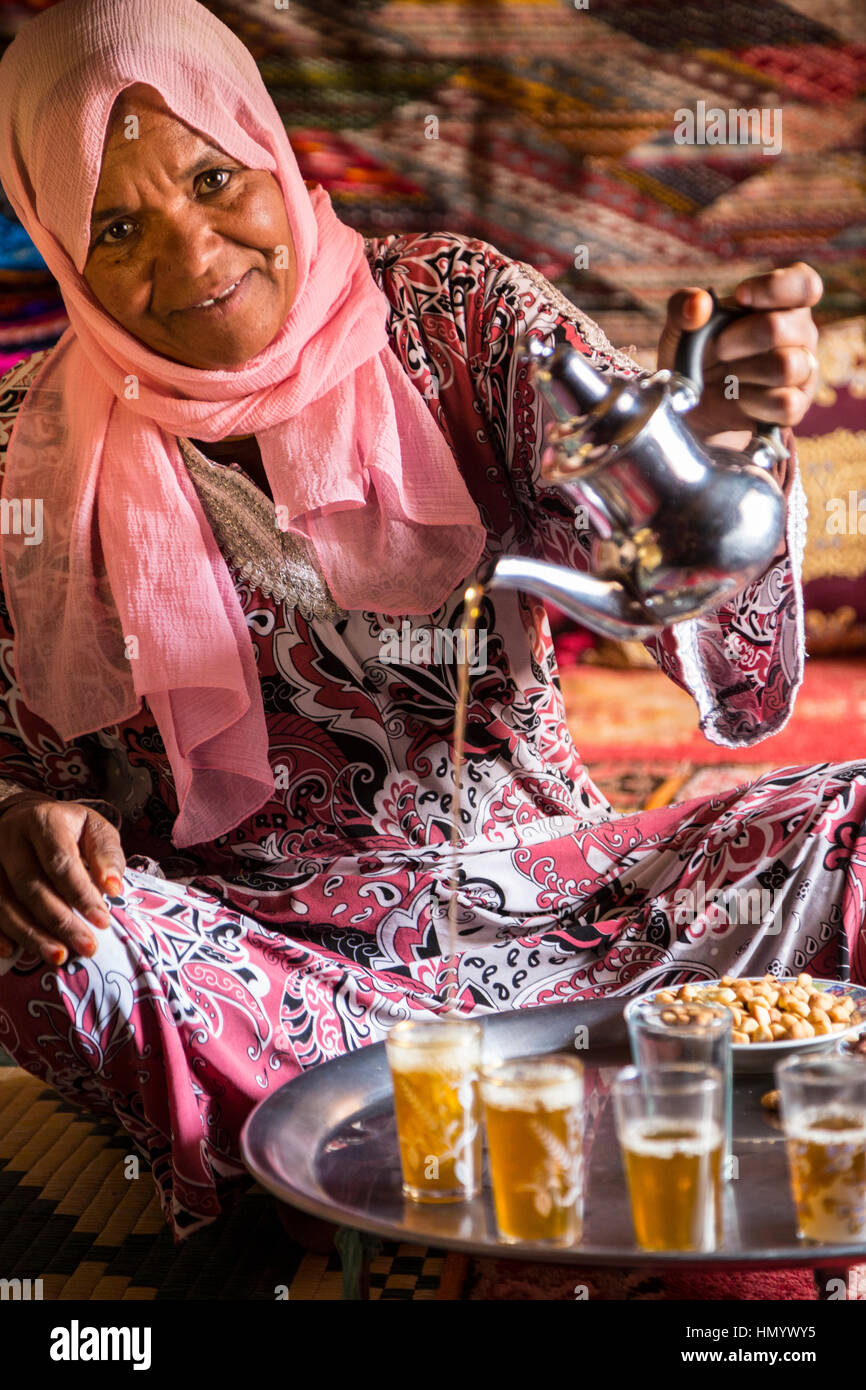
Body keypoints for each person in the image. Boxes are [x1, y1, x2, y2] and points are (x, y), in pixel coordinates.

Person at [0, 0, 860, 1243]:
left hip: (585, 918)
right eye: (117, 224)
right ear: (58, 245)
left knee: (854, 819)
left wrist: (715, 439)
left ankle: (354, 1158)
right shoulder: (24, 458)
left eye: (210, 178)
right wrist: (27, 827)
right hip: (267, 967)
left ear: (269, 148)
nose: (190, 255)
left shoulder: (459, 315)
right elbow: (18, 773)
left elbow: (669, 584)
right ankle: (464, 1129)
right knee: (52, 945)